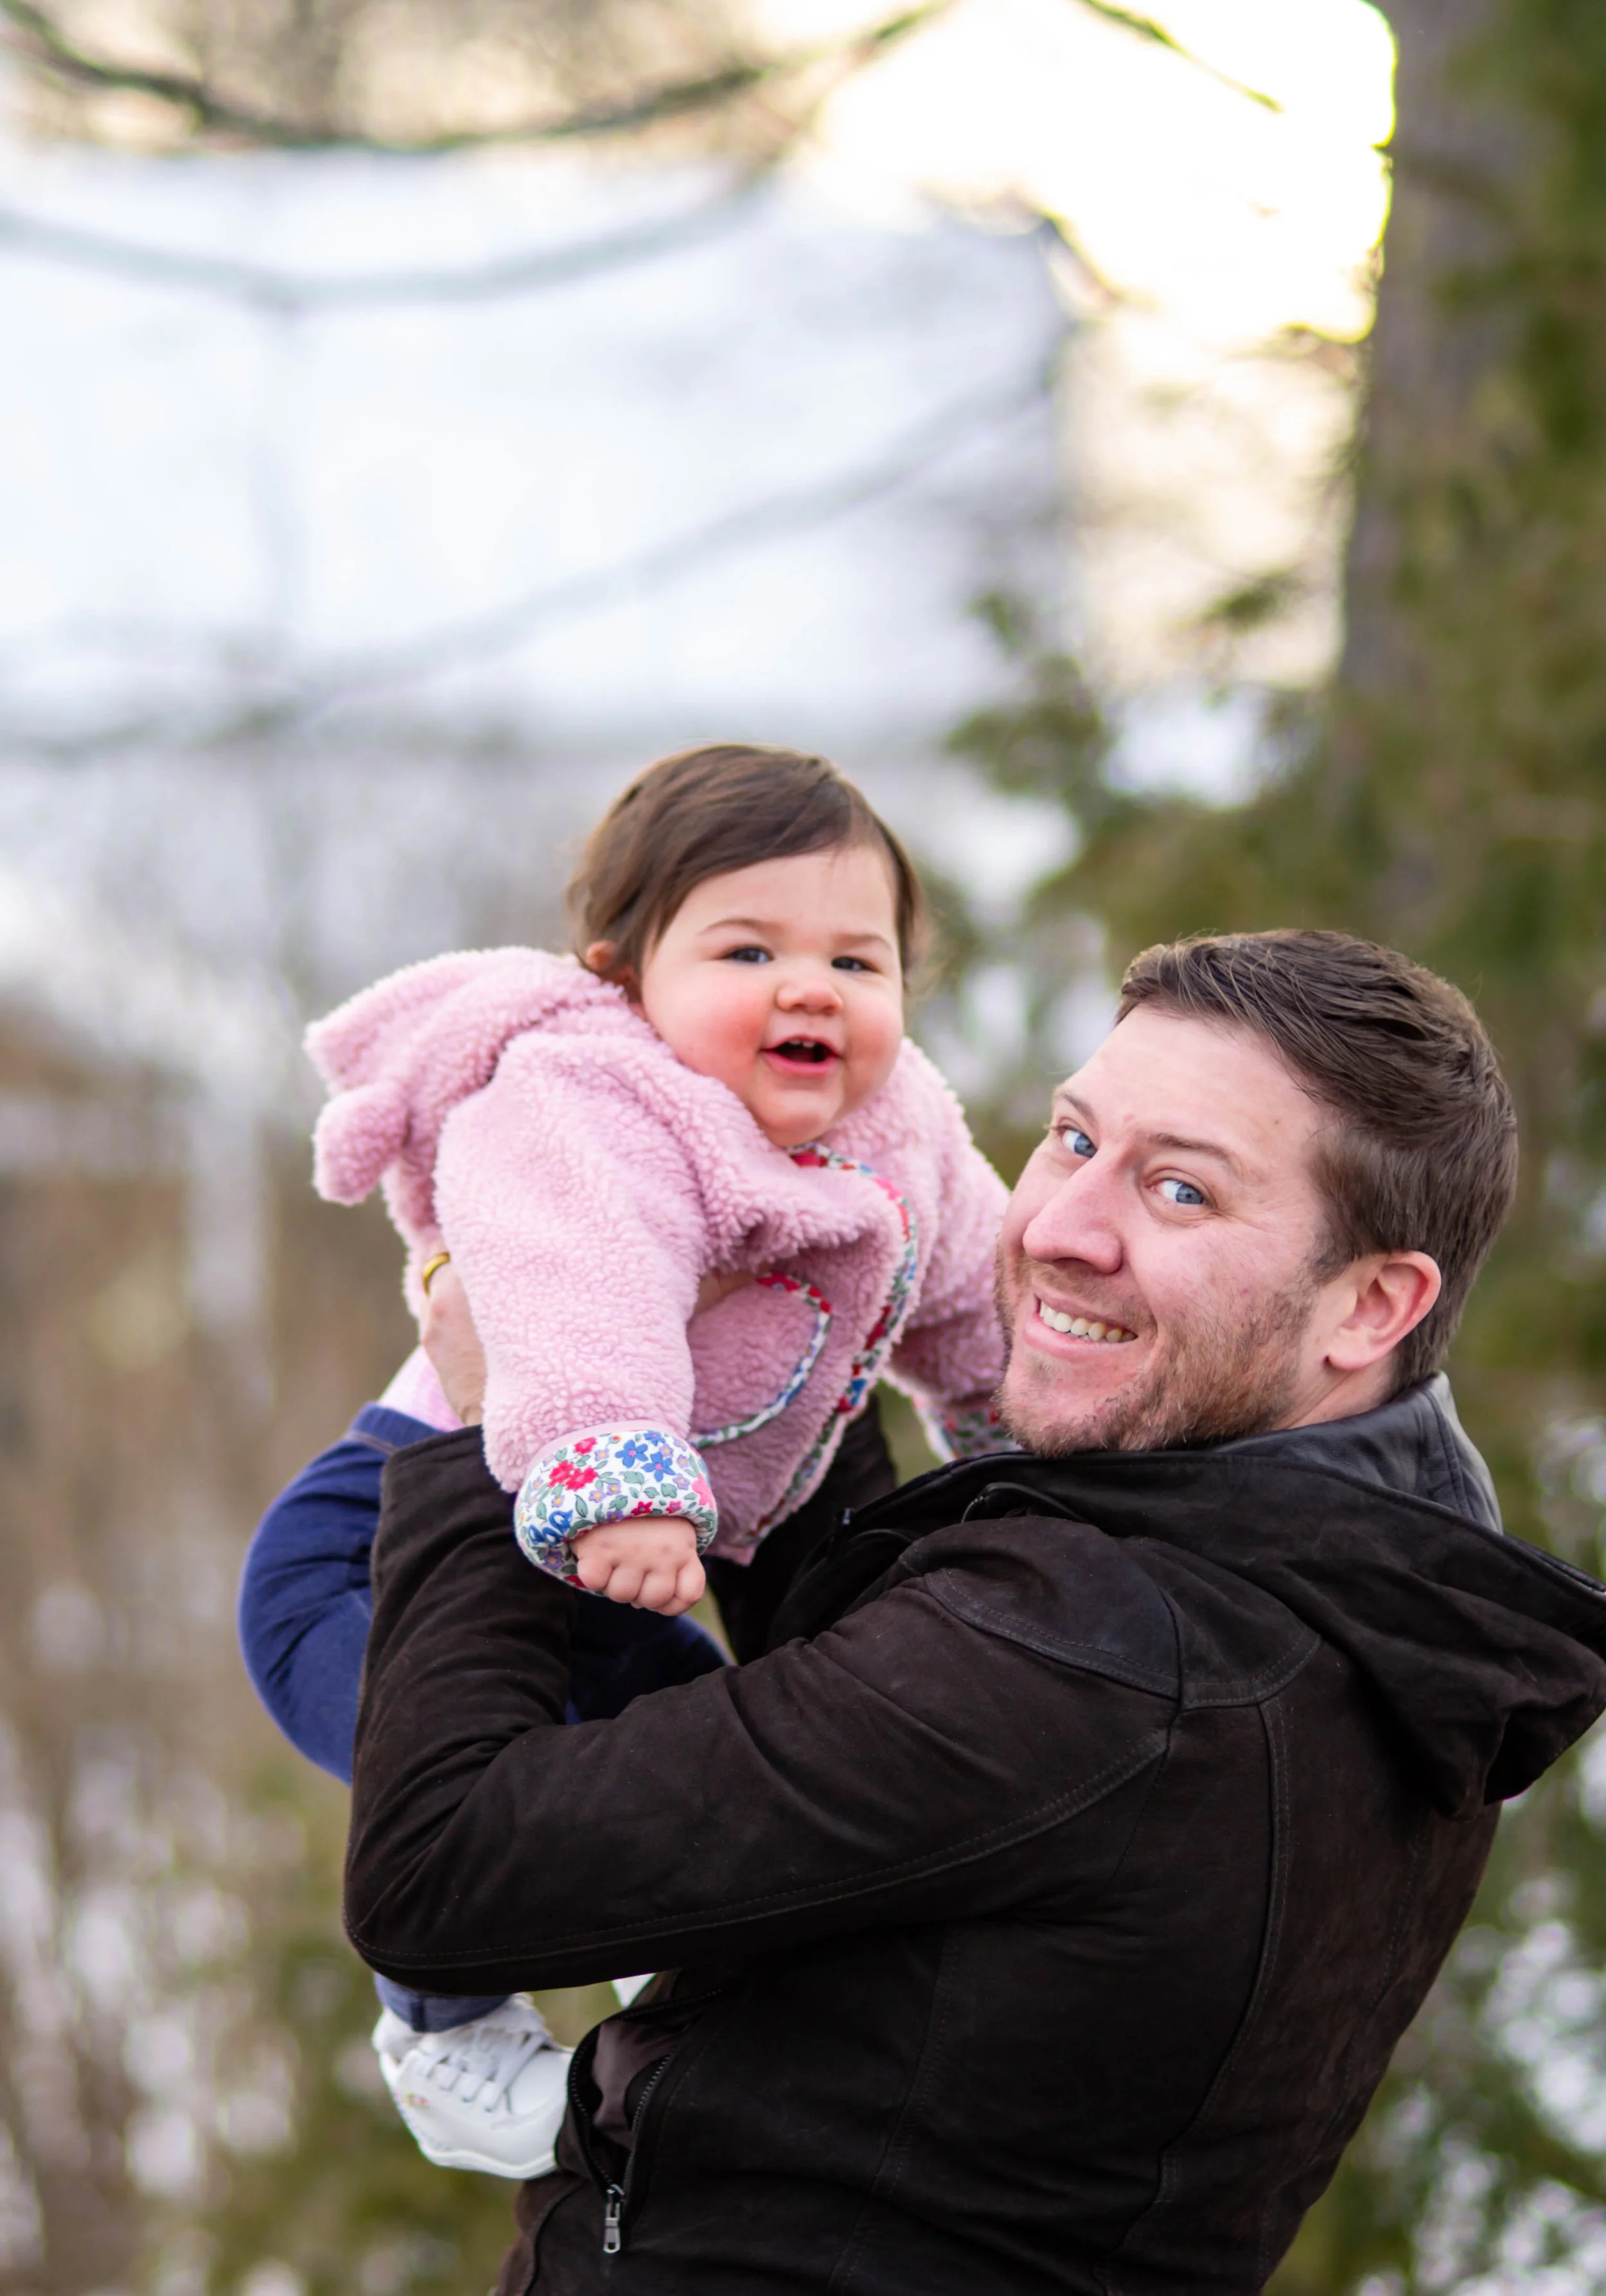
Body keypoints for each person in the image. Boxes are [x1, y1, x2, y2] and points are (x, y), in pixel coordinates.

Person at [343, 929, 1606, 2295]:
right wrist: (748, 1273)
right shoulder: (1373, 1576)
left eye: (1179, 1191)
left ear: (1368, 1306)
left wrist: (496, 1414)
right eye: (1072, 1140)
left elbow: (440, 1875)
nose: (1062, 1227)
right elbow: (884, 1742)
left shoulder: (1106, 1659)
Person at [238, 743, 1011, 2176]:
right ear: (624, 975)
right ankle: (440, 2023)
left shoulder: (907, 1137)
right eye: (747, 948)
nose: (810, 988)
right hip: (371, 1554)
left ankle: (691, 1997)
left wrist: (1025, 1435)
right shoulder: (592, 1102)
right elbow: (571, 1286)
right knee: (459, 1788)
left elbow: (973, 1295)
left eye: (859, 959)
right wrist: (623, 1476)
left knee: (696, 1786)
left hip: (623, 1581)